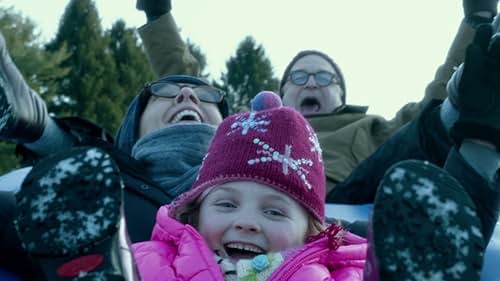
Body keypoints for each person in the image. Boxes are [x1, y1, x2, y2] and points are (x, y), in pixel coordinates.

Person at [11, 92, 488, 280]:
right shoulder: (154, 258)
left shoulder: (332, 270)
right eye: (226, 202)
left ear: (312, 232)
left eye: (275, 211)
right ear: (194, 212)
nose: (246, 220)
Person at [135, 0, 499, 193]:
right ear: (282, 93)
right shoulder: (248, 126)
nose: (311, 83)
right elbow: (192, 93)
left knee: (430, 123)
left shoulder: (370, 129)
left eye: (324, 77)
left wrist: (476, 21)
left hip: (347, 196)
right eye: (300, 76)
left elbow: (431, 105)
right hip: (256, 197)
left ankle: (487, 67)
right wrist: (158, 13)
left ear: (341, 94)